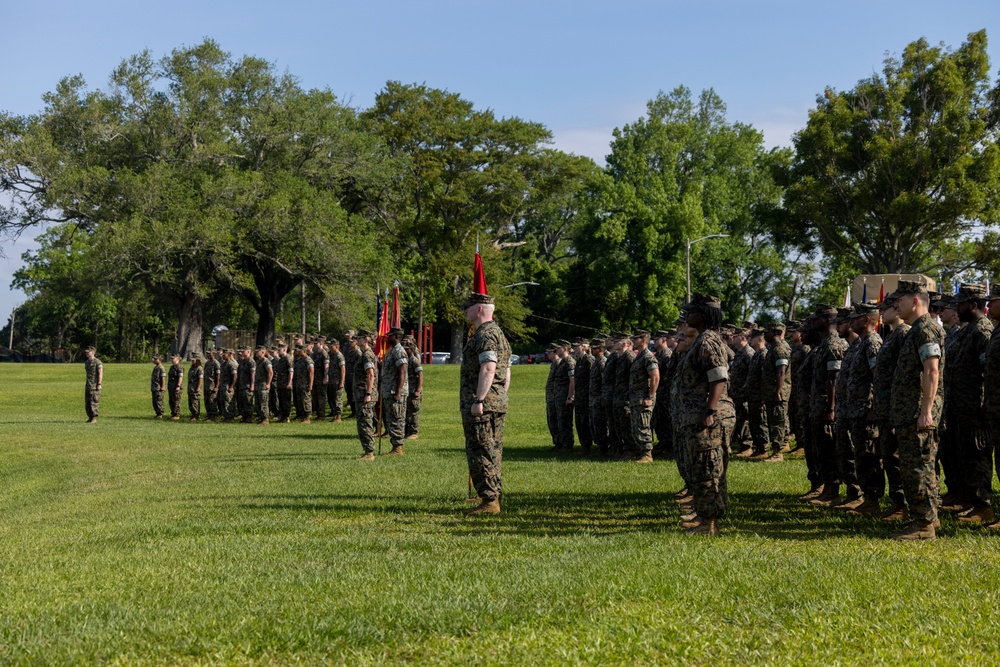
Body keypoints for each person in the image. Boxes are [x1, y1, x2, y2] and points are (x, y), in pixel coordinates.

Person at [674, 294, 735, 536]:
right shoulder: (701, 340)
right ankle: (704, 516)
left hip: (709, 417)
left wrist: (710, 410)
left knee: (708, 469)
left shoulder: (708, 341)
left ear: (704, 314)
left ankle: (709, 524)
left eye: (693, 311)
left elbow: (719, 376)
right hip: (697, 415)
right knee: (702, 469)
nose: (688, 316)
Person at [890, 280, 945, 541]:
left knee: (917, 468)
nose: (895, 305)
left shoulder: (926, 329)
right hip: (910, 411)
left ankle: (923, 525)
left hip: (917, 413)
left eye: (899, 300)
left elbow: (932, 370)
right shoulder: (916, 330)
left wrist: (926, 411)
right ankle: (929, 519)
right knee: (921, 466)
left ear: (914, 301)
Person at [460, 293, 512, 515]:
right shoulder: (497, 333)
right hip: (495, 402)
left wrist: (480, 399)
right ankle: (492, 496)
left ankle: (490, 500)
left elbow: (489, 368)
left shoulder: (486, 335)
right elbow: (507, 372)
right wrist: (498, 395)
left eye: (468, 308)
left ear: (479, 309)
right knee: (492, 449)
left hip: (483, 405)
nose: (465, 312)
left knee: (481, 450)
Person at [945, 284, 993, 523]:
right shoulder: (966, 331)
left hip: (974, 407)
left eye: (960, 303)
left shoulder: (982, 331)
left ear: (974, 305)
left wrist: (983, 404)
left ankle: (984, 505)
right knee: (963, 456)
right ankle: (970, 500)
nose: (956, 307)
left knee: (977, 456)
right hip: (959, 406)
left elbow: (987, 370)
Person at [842, 302, 882, 513]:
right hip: (856, 409)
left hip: (866, 410)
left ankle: (872, 499)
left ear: (867, 320)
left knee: (868, 455)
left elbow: (878, 377)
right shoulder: (860, 343)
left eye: (856, 318)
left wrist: (874, 408)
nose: (851, 322)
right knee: (861, 455)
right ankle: (867, 497)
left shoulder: (873, 343)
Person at [761, 323, 792, 462]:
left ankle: (778, 453)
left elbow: (781, 372)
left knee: (777, 421)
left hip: (777, 393)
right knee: (774, 420)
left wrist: (778, 392)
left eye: (766, 332)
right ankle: (777, 449)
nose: (764, 335)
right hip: (771, 392)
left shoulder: (780, 349)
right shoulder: (773, 349)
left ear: (774, 333)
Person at [628, 330, 660, 463]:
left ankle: (647, 454)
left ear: (644, 340)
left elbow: (655, 377)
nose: (633, 341)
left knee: (643, 425)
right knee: (637, 425)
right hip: (637, 398)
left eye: (636, 338)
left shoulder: (648, 357)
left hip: (644, 398)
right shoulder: (639, 357)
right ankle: (642, 452)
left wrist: (650, 397)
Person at [380, 327, 410, 456]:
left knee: (397, 419)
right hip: (389, 390)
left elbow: (402, 371)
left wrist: (398, 391)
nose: (387, 337)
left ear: (396, 336)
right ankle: (394, 446)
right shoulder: (391, 351)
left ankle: (398, 448)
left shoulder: (399, 351)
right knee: (391, 418)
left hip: (396, 391)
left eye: (390, 335)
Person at [728, 327, 754, 456]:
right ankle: (740, 443)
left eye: (735, 336)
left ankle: (747, 446)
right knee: (739, 418)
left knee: (745, 419)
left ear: (743, 338)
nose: (732, 338)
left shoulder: (748, 353)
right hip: (735, 392)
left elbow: (752, 374)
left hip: (743, 393)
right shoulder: (738, 352)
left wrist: (747, 389)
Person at [353, 331, 378, 460]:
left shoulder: (367, 355)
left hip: (365, 394)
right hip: (361, 394)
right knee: (363, 422)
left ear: (365, 339)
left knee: (365, 423)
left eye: (358, 338)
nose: (356, 340)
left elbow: (370, 375)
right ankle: (367, 451)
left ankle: (369, 452)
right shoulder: (364, 354)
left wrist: (368, 394)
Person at [552, 340, 576, 453]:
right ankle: (563, 444)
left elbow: (572, 380)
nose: (556, 350)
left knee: (566, 421)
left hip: (565, 396)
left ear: (565, 349)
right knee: (561, 420)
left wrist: (570, 397)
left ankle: (568, 445)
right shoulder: (562, 362)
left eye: (558, 348)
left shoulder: (569, 361)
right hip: (559, 396)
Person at [589, 338, 610, 456]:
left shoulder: (602, 362)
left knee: (601, 424)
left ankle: (604, 448)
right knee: (595, 424)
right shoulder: (596, 362)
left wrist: (603, 397)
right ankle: (600, 447)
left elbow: (604, 382)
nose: (592, 350)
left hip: (599, 399)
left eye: (594, 348)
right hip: (594, 399)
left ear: (601, 349)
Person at [573, 338, 594, 453]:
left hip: (586, 396)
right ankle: (583, 445)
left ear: (584, 347)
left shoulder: (588, 360)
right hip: (579, 396)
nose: (575, 348)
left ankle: (587, 445)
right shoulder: (578, 361)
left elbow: (592, 379)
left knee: (585, 421)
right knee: (579, 421)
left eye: (577, 346)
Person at [403, 336, 423, 438]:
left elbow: (420, 374)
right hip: (407, 389)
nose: (405, 351)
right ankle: (407, 431)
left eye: (406, 349)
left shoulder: (414, 360)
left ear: (411, 350)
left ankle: (414, 432)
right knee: (406, 412)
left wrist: (418, 390)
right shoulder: (406, 360)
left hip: (414, 388)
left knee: (414, 412)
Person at [292, 345, 314, 423]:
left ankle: (307, 417)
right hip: (299, 384)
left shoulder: (308, 360)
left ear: (304, 351)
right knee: (300, 401)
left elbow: (311, 373)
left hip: (305, 384)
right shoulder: (299, 360)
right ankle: (302, 416)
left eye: (299, 350)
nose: (297, 352)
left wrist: (310, 385)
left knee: (306, 400)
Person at [273, 342, 294, 423]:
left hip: (286, 383)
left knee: (286, 401)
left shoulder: (288, 358)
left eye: (280, 349)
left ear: (284, 349)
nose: (278, 351)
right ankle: (282, 416)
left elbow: (291, 371)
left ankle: (287, 416)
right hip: (280, 383)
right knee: (281, 400)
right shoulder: (281, 359)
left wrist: (289, 383)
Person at [327, 339, 346, 422]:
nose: (330, 348)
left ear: (337, 346)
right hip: (331, 380)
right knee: (331, 398)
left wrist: (341, 382)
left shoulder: (339, 356)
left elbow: (343, 370)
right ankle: (334, 414)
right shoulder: (330, 355)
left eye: (332, 346)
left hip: (337, 381)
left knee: (337, 398)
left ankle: (338, 416)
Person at [83, 346, 103, 423]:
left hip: (95, 385)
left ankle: (94, 417)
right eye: (86, 352)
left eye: (88, 352)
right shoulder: (87, 362)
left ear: (93, 352)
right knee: (87, 401)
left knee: (94, 401)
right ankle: (90, 417)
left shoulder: (98, 362)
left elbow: (100, 373)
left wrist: (99, 384)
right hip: (88, 384)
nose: (87, 353)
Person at [311, 336, 330, 421]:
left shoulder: (324, 353)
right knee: (315, 397)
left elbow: (326, 366)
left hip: (321, 378)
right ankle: (318, 414)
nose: (314, 345)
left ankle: (322, 415)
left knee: (321, 397)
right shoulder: (314, 353)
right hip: (315, 378)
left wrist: (326, 377)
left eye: (316, 343)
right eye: (314, 343)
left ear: (321, 344)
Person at [236, 347, 256, 424]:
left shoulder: (251, 361)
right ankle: (244, 417)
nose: (242, 353)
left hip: (247, 386)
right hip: (242, 385)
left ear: (248, 352)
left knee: (248, 402)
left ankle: (249, 418)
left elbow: (253, 375)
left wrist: (252, 385)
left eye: (243, 351)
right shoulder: (243, 362)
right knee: (242, 403)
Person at [255, 346, 273, 425]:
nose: (256, 353)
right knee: (258, 402)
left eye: (257, 351)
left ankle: (265, 418)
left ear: (262, 352)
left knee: (264, 402)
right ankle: (261, 417)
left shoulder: (266, 361)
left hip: (263, 384)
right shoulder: (258, 361)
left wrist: (268, 383)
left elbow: (270, 372)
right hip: (258, 384)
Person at [167, 353, 184, 421]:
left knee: (176, 400)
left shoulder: (179, 367)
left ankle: (177, 414)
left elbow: (180, 377)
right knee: (171, 401)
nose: (171, 360)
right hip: (171, 386)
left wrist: (178, 386)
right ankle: (173, 414)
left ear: (177, 358)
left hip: (176, 386)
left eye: (173, 358)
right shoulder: (172, 367)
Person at [187, 354, 204, 421]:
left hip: (195, 387)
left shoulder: (199, 368)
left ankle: (196, 415)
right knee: (191, 402)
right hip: (191, 388)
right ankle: (192, 414)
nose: (192, 361)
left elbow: (200, 379)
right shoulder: (192, 367)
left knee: (195, 402)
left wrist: (198, 387)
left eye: (193, 360)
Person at [151, 355, 166, 419]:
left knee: (159, 401)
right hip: (154, 387)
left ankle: (160, 414)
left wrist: (162, 386)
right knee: (155, 402)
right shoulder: (156, 367)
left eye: (156, 359)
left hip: (158, 387)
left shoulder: (161, 368)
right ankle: (157, 414)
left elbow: (163, 378)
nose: (154, 360)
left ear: (159, 360)